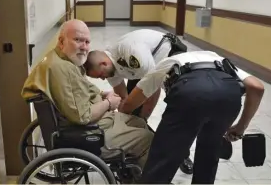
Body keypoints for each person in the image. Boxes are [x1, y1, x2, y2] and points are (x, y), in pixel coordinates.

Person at [21, 19, 154, 169]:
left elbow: (83, 89)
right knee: (148, 139)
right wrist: (109, 103)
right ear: (61, 41)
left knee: (140, 122)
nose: (84, 47)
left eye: (87, 42)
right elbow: (83, 116)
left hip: (92, 124)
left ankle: (130, 172)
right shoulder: (64, 69)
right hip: (90, 134)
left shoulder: (60, 60)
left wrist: (102, 94)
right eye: (78, 40)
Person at [119, 50, 265, 184]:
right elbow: (257, 87)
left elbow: (132, 101)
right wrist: (240, 128)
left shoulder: (166, 63)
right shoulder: (221, 61)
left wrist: (122, 118)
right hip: (228, 95)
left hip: (190, 92)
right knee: (209, 154)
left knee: (163, 158)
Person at [83, 29, 194, 174]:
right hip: (144, 69)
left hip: (168, 64)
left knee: (174, 117)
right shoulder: (110, 68)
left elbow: (152, 89)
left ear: (103, 63)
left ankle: (182, 155)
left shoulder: (131, 53)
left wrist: (143, 118)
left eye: (100, 75)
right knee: (133, 115)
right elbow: (124, 97)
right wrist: (126, 117)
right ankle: (134, 158)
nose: (103, 79)